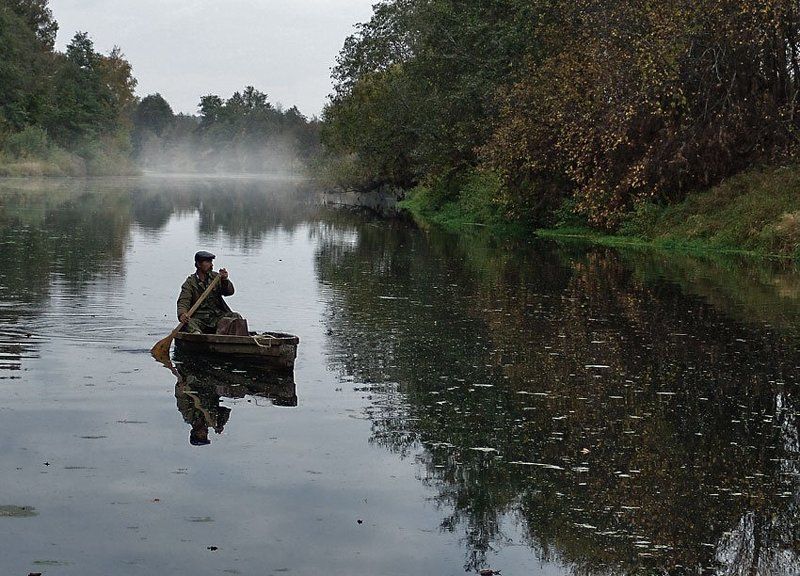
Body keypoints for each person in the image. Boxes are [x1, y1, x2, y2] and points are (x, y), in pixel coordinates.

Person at [177, 251, 244, 334]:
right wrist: (182, 314)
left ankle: (232, 339)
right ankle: (198, 336)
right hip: (199, 319)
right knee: (188, 324)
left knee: (235, 317)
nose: (211, 265)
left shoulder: (216, 278)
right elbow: (183, 301)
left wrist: (224, 280)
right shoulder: (190, 283)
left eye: (211, 262)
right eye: (207, 262)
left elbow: (229, 292)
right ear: (198, 264)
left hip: (216, 317)